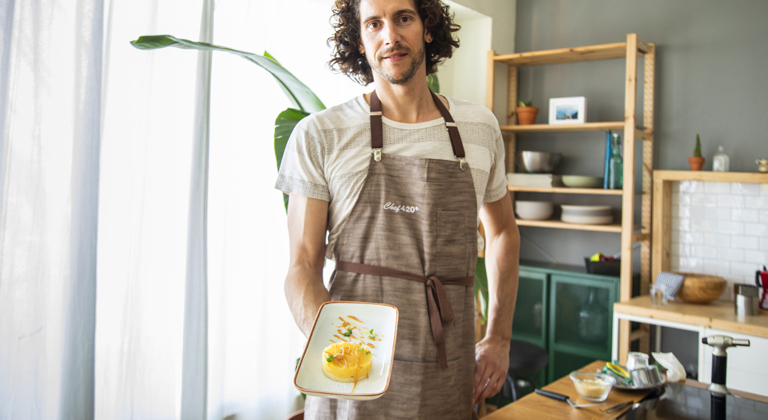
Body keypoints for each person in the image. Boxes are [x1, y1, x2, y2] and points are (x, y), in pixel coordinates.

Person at [275, 0, 519, 418]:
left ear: (427, 27)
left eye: (403, 18)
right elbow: (302, 266)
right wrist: (344, 349)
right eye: (374, 23)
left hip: (449, 371)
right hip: (354, 376)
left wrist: (498, 336)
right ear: (359, 39)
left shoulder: (479, 129)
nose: (390, 35)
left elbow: (502, 234)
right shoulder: (321, 134)